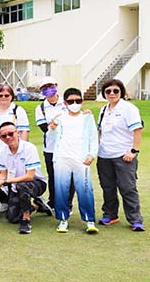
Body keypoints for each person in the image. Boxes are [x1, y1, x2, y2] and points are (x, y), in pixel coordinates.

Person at [48, 88, 99, 234]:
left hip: (81, 159)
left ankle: (89, 220)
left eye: (78, 101)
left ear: (82, 101)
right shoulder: (59, 117)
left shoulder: (87, 117)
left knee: (85, 189)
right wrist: (51, 129)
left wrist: (91, 154)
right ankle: (63, 219)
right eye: (71, 101)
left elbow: (93, 137)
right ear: (65, 103)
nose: (75, 103)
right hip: (62, 158)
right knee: (61, 189)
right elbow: (51, 138)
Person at [97, 79, 145, 231]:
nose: (112, 94)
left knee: (127, 187)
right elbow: (100, 131)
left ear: (121, 92)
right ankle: (110, 215)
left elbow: (137, 130)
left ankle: (135, 220)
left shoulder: (129, 108)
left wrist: (134, 150)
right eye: (108, 91)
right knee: (108, 187)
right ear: (104, 94)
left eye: (115, 91)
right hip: (104, 155)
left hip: (124, 155)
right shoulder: (104, 109)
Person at [0, 122, 49, 234]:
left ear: (18, 133)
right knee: (12, 218)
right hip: (15, 184)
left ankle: (26, 220)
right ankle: (37, 205)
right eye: (4, 136)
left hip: (36, 183)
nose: (8, 137)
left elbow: (30, 176)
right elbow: (3, 173)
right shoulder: (2, 151)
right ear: (0, 138)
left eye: (10, 134)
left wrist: (7, 181)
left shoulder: (29, 148)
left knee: (22, 186)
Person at [35, 76, 72, 210]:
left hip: (68, 145)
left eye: (51, 86)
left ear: (56, 86)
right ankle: (53, 201)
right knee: (53, 175)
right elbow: (43, 127)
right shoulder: (41, 108)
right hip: (50, 147)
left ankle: (67, 203)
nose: (48, 90)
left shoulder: (67, 103)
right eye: (45, 88)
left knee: (69, 175)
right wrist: (52, 125)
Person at [0, 84, 29, 152]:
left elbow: (24, 131)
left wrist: (22, 149)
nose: (3, 97)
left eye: (6, 95)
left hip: (14, 151)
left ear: (11, 96)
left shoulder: (18, 110)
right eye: (0, 95)